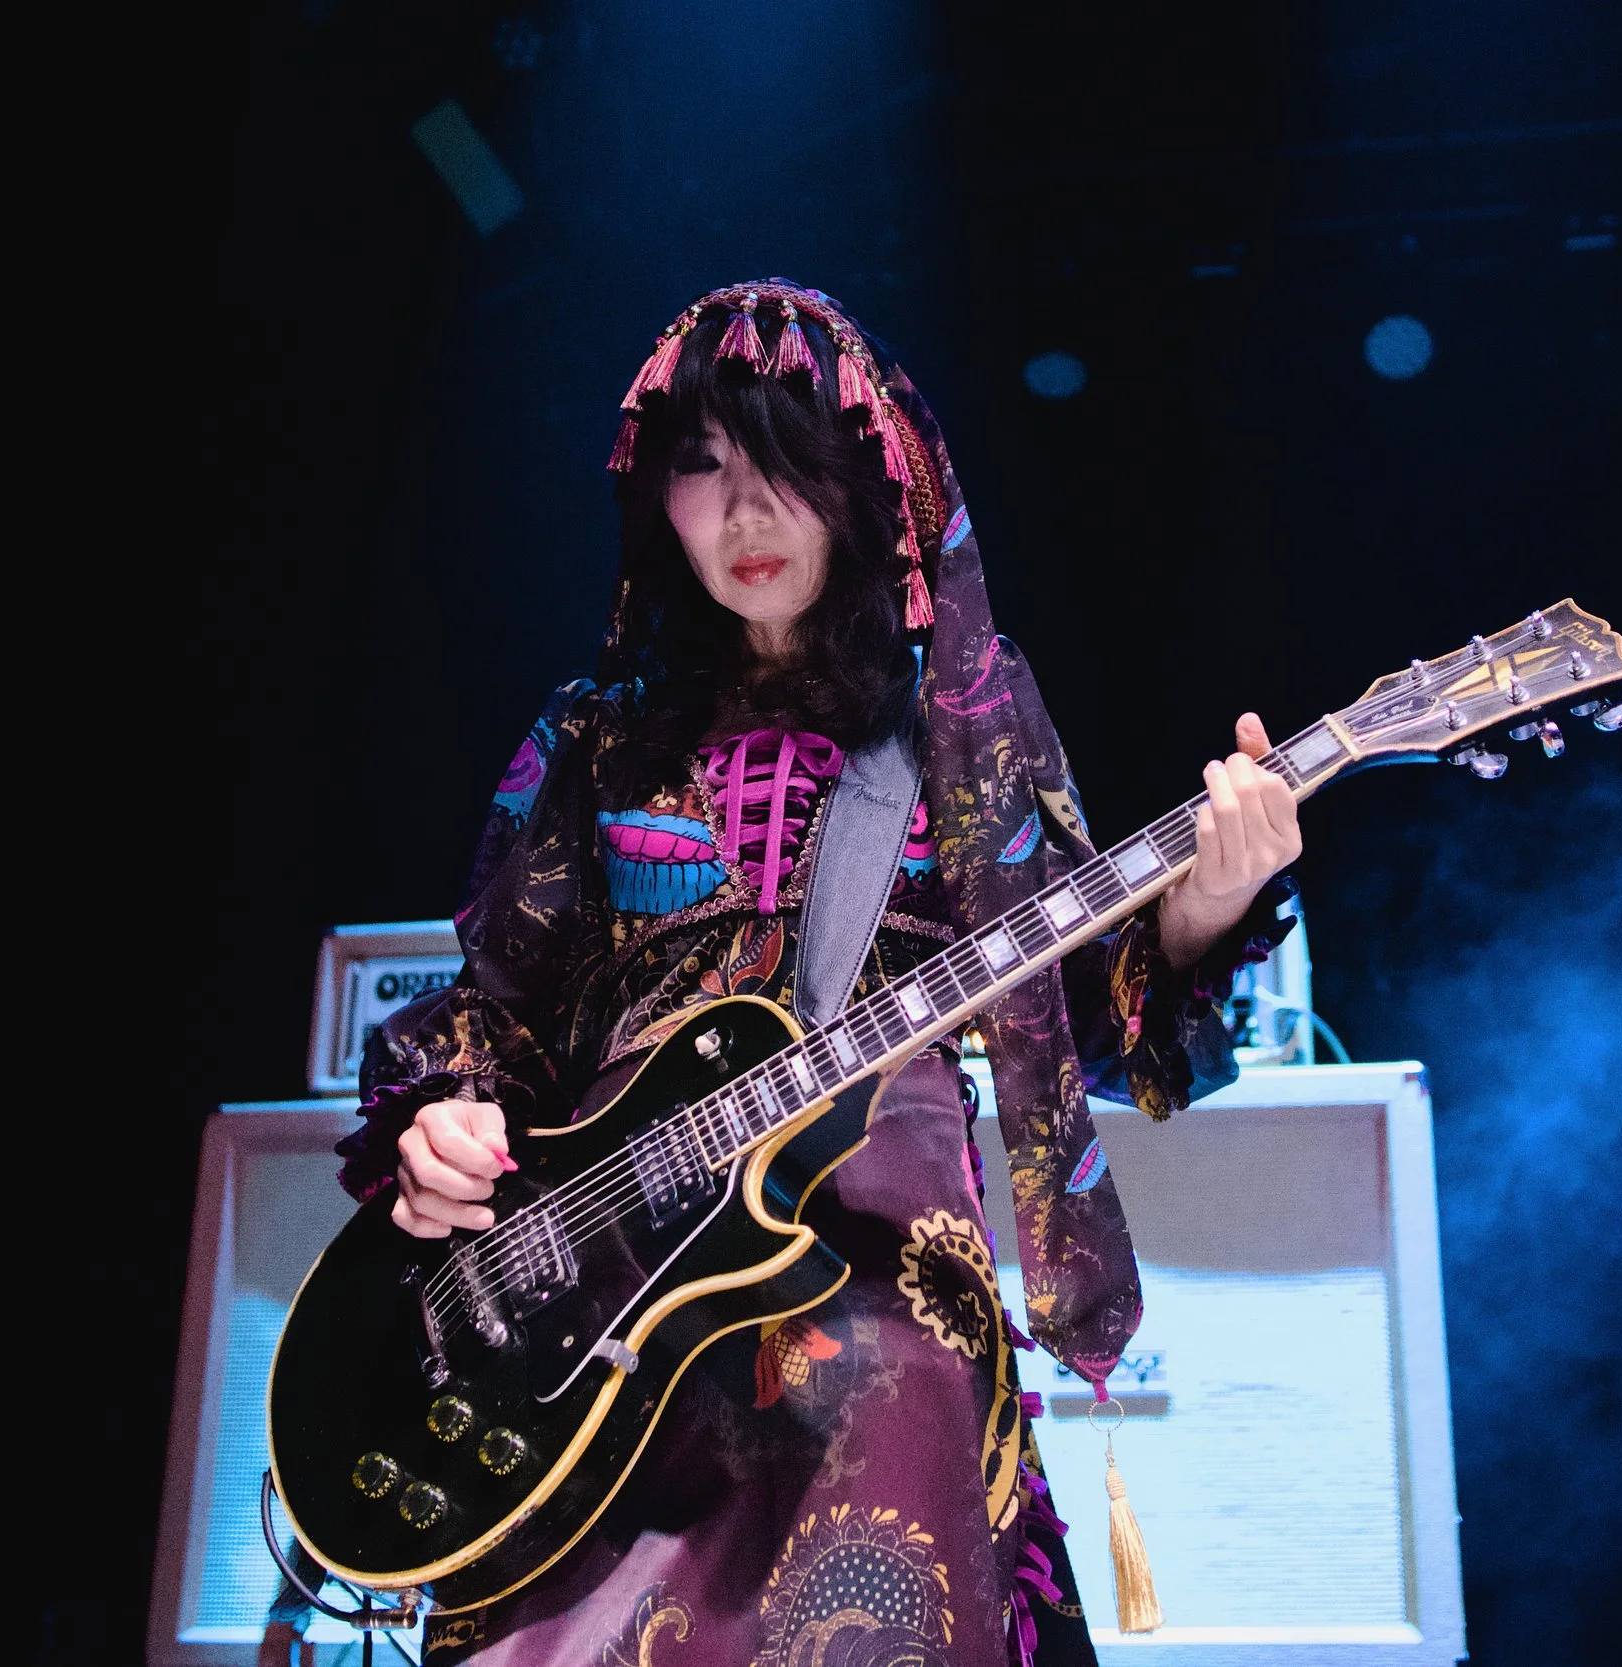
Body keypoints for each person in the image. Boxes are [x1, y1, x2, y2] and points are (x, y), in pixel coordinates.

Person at [327, 280, 1301, 1666]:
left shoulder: (963, 718)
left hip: (875, 1257)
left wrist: (1208, 901)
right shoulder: (592, 740)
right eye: (703, 467)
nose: (744, 513)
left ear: (866, 483)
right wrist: (450, 1115)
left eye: (785, 465)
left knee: (885, 1462)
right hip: (597, 1284)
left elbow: (1079, 1017)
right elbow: (492, 1009)